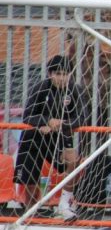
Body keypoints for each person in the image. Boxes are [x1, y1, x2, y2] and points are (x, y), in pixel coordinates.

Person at [14, 55, 89, 221]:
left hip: (58, 139)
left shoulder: (75, 90)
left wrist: (62, 124)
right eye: (58, 73)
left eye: (65, 74)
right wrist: (46, 120)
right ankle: (32, 220)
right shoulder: (40, 88)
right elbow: (27, 116)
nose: (62, 78)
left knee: (74, 161)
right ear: (50, 74)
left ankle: (64, 205)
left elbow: (83, 117)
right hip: (33, 140)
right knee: (31, 184)